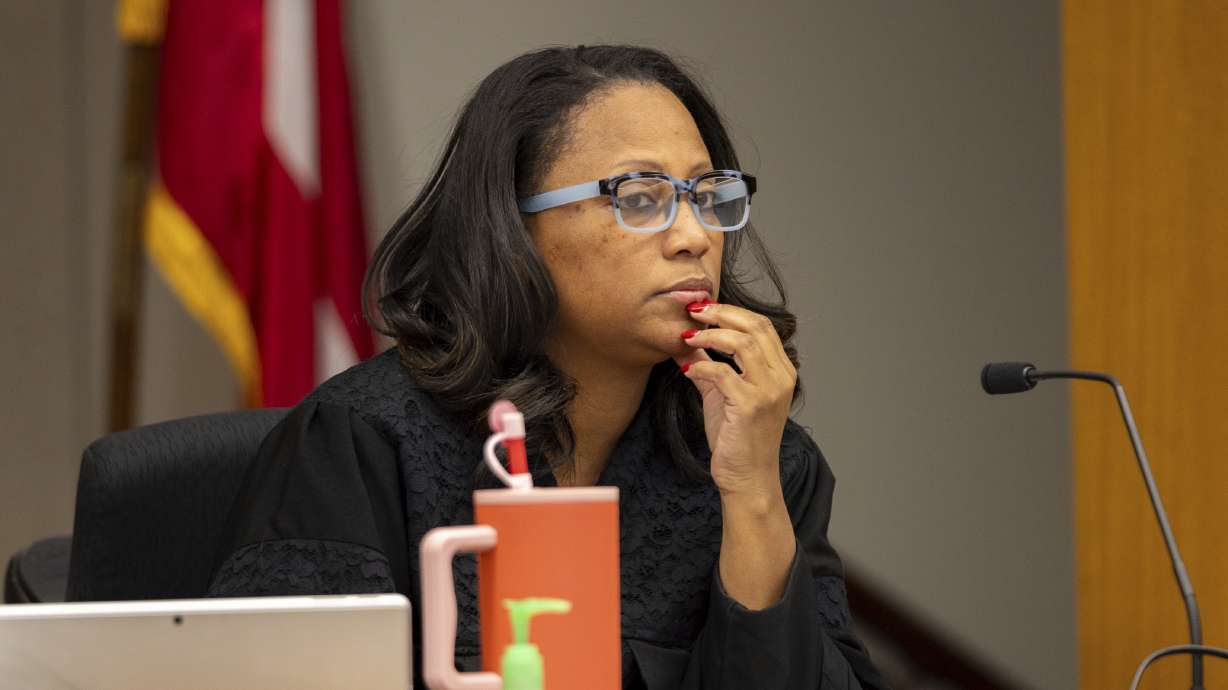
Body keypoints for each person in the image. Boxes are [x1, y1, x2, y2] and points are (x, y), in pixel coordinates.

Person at [208, 44, 888, 690]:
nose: (694, 238)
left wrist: (753, 496)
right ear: (514, 228)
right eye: (641, 199)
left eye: (707, 196)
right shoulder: (361, 443)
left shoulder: (763, 456)